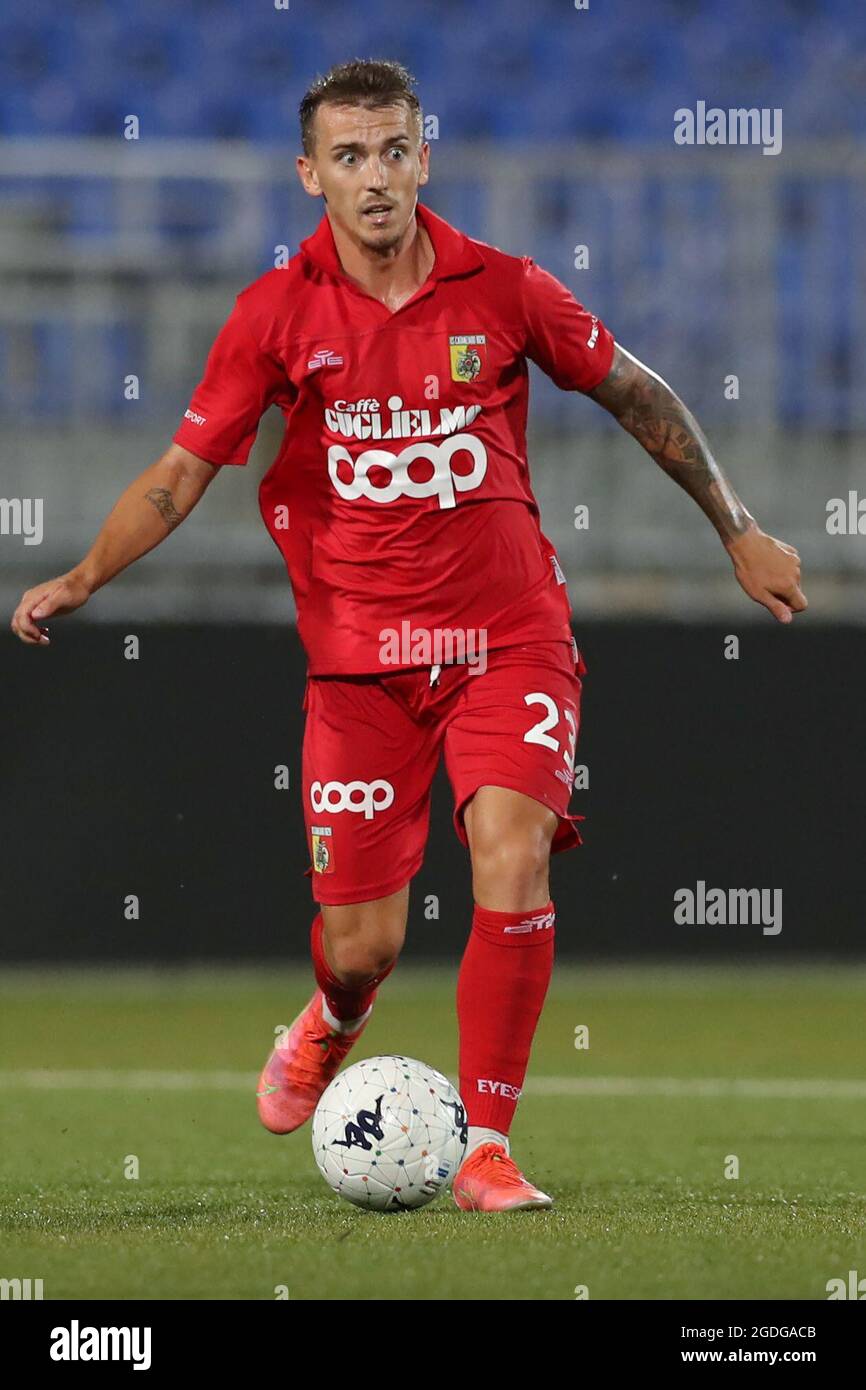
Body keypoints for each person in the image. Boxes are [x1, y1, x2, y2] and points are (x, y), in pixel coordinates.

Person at [11, 59, 806, 1211]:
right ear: (309, 175)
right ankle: (336, 1013)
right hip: (358, 669)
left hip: (508, 637)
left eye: (392, 150)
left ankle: (485, 1144)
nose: (373, 177)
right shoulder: (276, 313)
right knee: (361, 944)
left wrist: (737, 529)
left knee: (512, 853)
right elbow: (184, 474)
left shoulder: (505, 288)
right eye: (347, 157)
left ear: (422, 157)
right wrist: (83, 576)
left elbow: (638, 393)